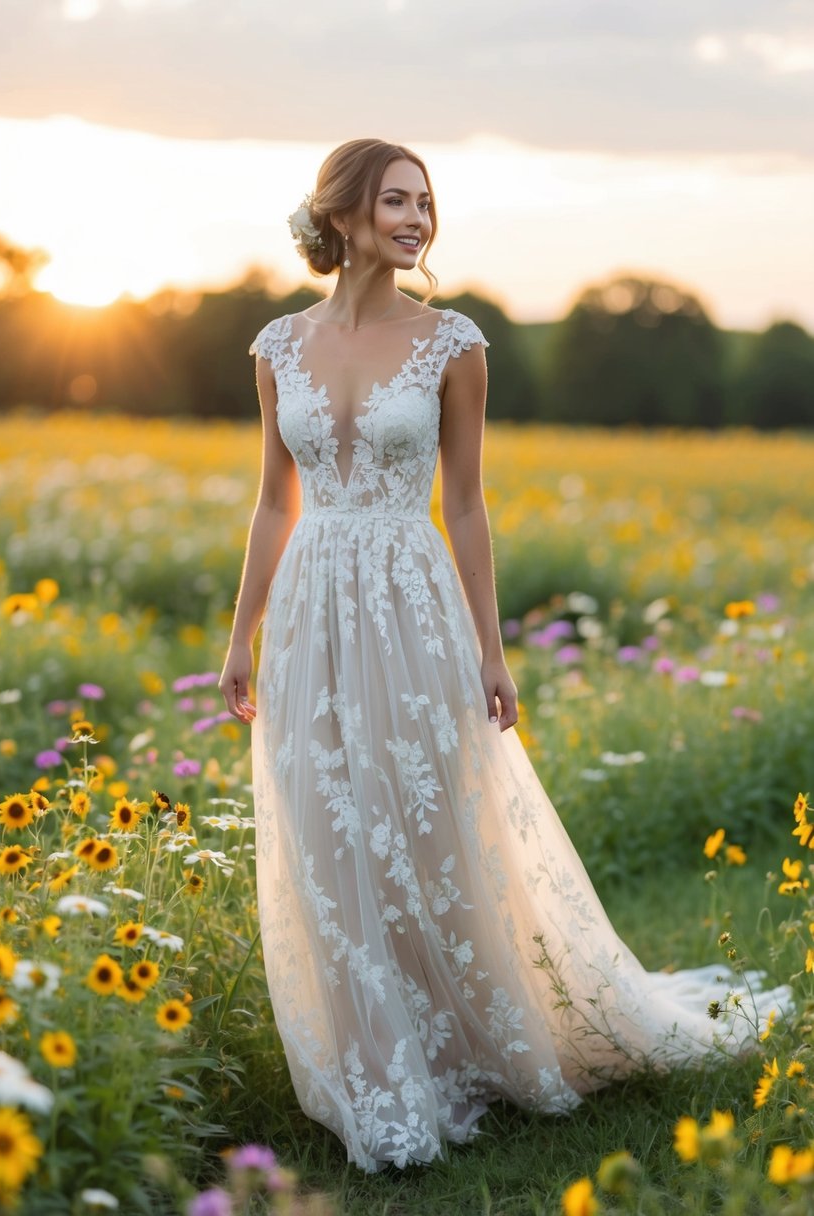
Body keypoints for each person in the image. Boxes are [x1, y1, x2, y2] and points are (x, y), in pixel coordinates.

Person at [219, 138, 790, 1173]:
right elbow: (272, 500)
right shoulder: (275, 346)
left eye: (424, 202)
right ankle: (376, 1072)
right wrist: (240, 635)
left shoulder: (453, 343)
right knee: (326, 829)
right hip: (310, 608)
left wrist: (492, 650)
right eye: (395, 200)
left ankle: (470, 1042)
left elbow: (467, 505)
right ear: (342, 215)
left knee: (431, 822)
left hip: (412, 603)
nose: (416, 218)